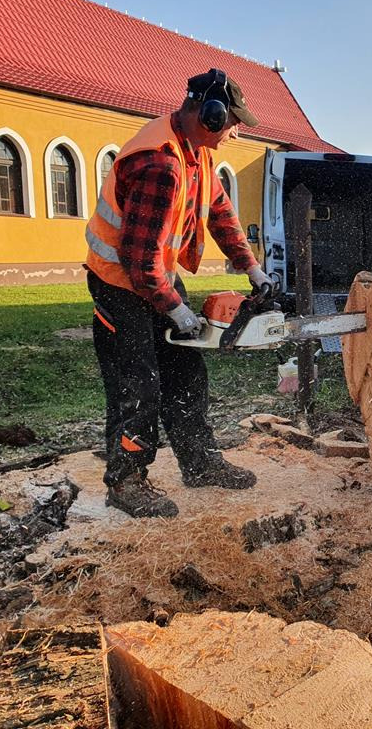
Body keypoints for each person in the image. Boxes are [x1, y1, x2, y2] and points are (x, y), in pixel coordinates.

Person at [85, 68, 274, 517]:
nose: (232, 133)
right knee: (138, 383)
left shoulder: (196, 154)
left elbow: (220, 212)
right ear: (207, 114)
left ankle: (200, 461)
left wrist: (252, 268)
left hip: (158, 275)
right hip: (120, 281)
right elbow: (136, 259)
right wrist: (178, 312)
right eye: (230, 122)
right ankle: (126, 480)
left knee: (186, 373)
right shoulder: (160, 165)